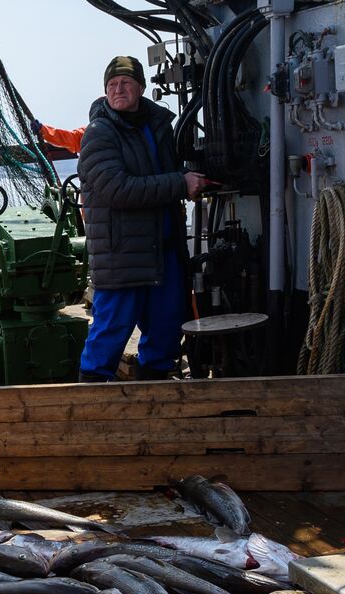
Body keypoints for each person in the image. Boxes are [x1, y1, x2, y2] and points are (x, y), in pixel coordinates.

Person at [77, 55, 212, 382]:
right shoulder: (98, 133)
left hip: (163, 252)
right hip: (122, 256)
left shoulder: (158, 125)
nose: (117, 90)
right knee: (110, 334)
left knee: (167, 328)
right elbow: (118, 189)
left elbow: (166, 172)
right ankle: (87, 407)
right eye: (111, 85)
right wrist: (180, 183)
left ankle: (154, 400)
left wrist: (194, 176)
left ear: (140, 87)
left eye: (124, 83)